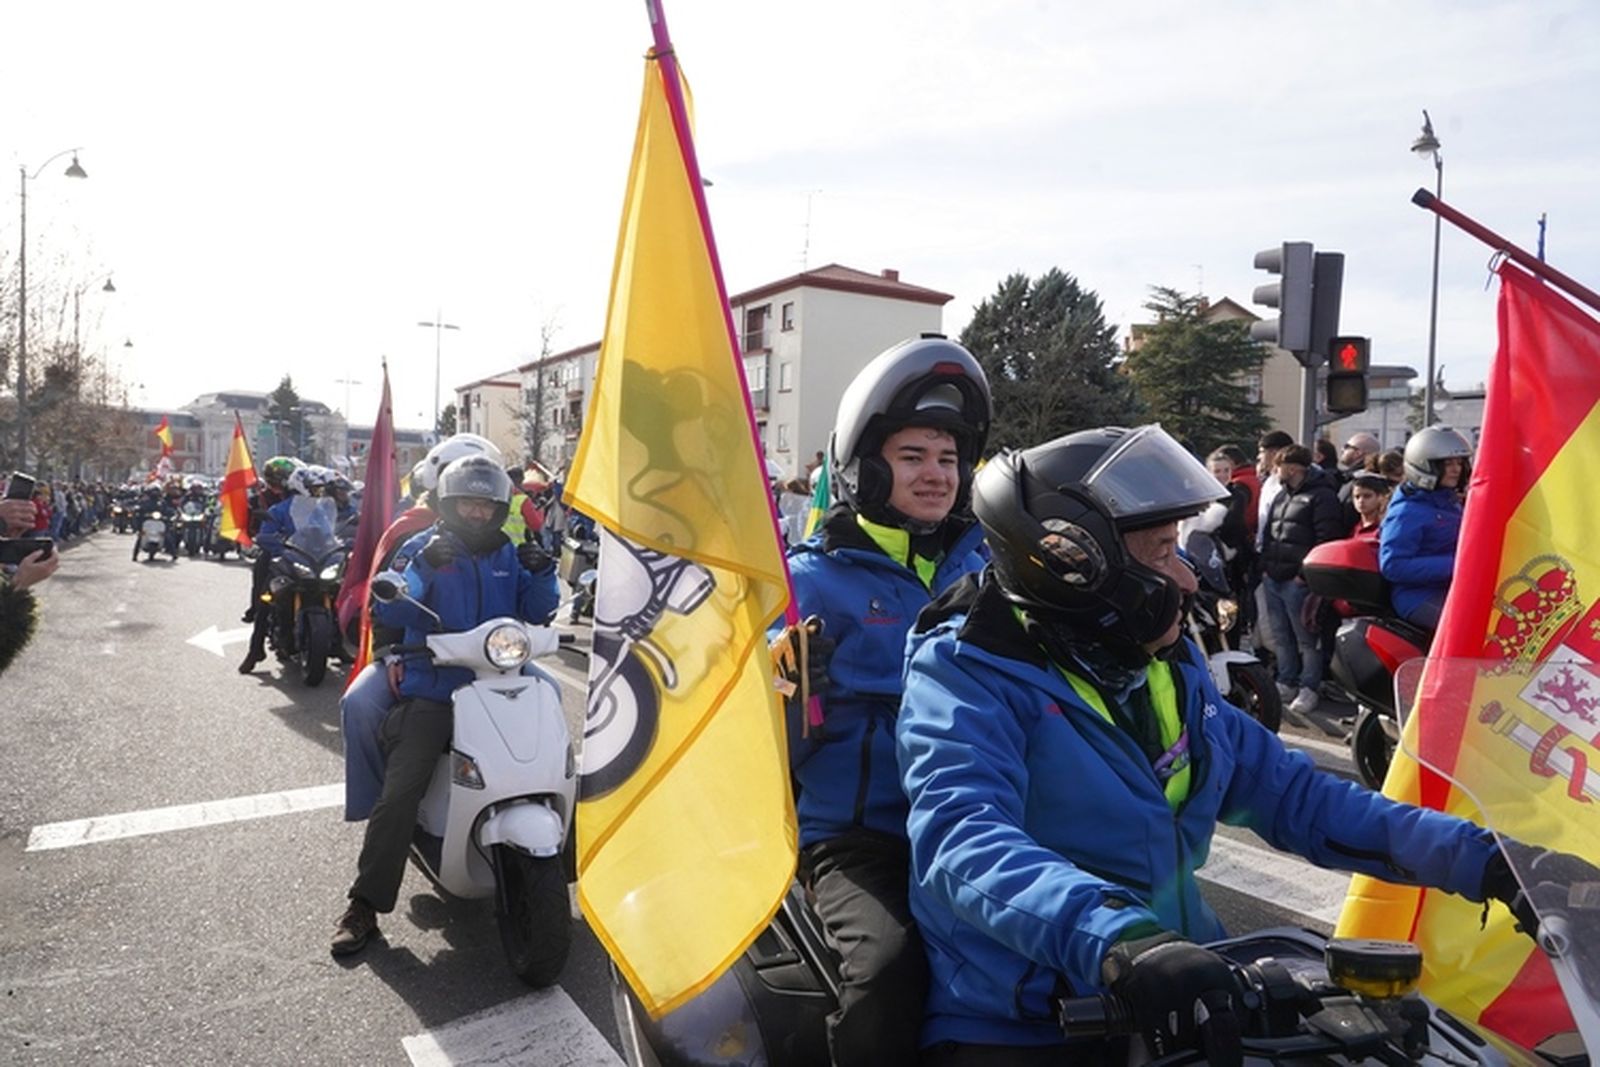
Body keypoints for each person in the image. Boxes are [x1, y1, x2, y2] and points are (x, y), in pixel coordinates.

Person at [893, 424, 1573, 1065]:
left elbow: (1295, 794)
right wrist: (1122, 942)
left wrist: (1491, 860)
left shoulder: (1157, 661)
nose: (1189, 579)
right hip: (1034, 1014)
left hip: (1190, 981)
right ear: (1076, 566)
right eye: (1163, 553)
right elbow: (963, 838)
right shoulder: (965, 673)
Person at [771, 334, 991, 1067]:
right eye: (913, 456)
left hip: (983, 823)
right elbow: (750, 719)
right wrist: (776, 679)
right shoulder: (807, 582)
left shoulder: (991, 574)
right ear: (864, 467)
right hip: (861, 840)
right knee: (889, 974)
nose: (936, 474)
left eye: (948, 458)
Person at [331, 455, 560, 955]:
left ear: (500, 509)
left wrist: (543, 573)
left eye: (486, 505)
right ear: (450, 504)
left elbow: (538, 609)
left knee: (556, 747)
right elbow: (389, 601)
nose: (478, 514)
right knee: (401, 790)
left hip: (501, 681)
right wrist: (418, 569)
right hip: (435, 686)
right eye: (468, 504)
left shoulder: (511, 550)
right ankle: (364, 904)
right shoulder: (424, 546)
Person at [338, 432, 506, 822]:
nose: (473, 496)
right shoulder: (411, 531)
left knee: (546, 693)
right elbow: (384, 598)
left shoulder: (502, 535)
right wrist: (390, 652)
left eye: (483, 484)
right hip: (417, 653)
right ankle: (376, 802)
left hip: (492, 655)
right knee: (359, 705)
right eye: (457, 479)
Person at [1259, 444, 1343, 719]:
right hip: (1274, 576)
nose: (1275, 472)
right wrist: (1267, 569)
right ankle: (1286, 681)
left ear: (1293, 468)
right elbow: (1271, 532)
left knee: (1308, 639)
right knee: (1282, 636)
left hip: (1298, 581)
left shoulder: (1322, 497)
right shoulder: (1282, 495)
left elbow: (1325, 539)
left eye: (1279, 467)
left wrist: (1303, 576)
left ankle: (1309, 686)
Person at [1380, 426, 1470, 630]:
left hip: (1454, 589)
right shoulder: (1406, 511)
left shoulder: (1450, 501)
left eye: (1459, 462)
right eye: (1447, 464)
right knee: (1467, 628)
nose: (1456, 469)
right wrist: (1457, 565)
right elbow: (1393, 564)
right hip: (1419, 596)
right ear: (1423, 465)